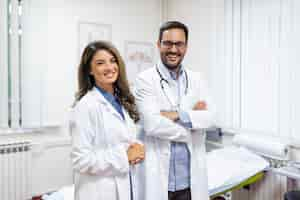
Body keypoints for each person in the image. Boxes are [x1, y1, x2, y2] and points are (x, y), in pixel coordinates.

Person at [134, 21, 215, 200]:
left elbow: (210, 118)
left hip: (190, 181)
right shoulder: (145, 80)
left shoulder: (197, 80)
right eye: (168, 43)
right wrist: (192, 125)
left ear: (186, 46)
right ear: (159, 44)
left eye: (179, 44)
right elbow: (152, 124)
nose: (173, 49)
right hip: (161, 180)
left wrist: (177, 115)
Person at [70, 40, 144, 200]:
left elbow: (126, 139)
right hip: (98, 191)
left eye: (113, 60)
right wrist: (125, 156)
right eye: (100, 63)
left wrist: (137, 148)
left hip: (126, 186)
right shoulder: (85, 106)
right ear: (89, 70)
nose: (110, 67)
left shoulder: (122, 100)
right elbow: (81, 160)